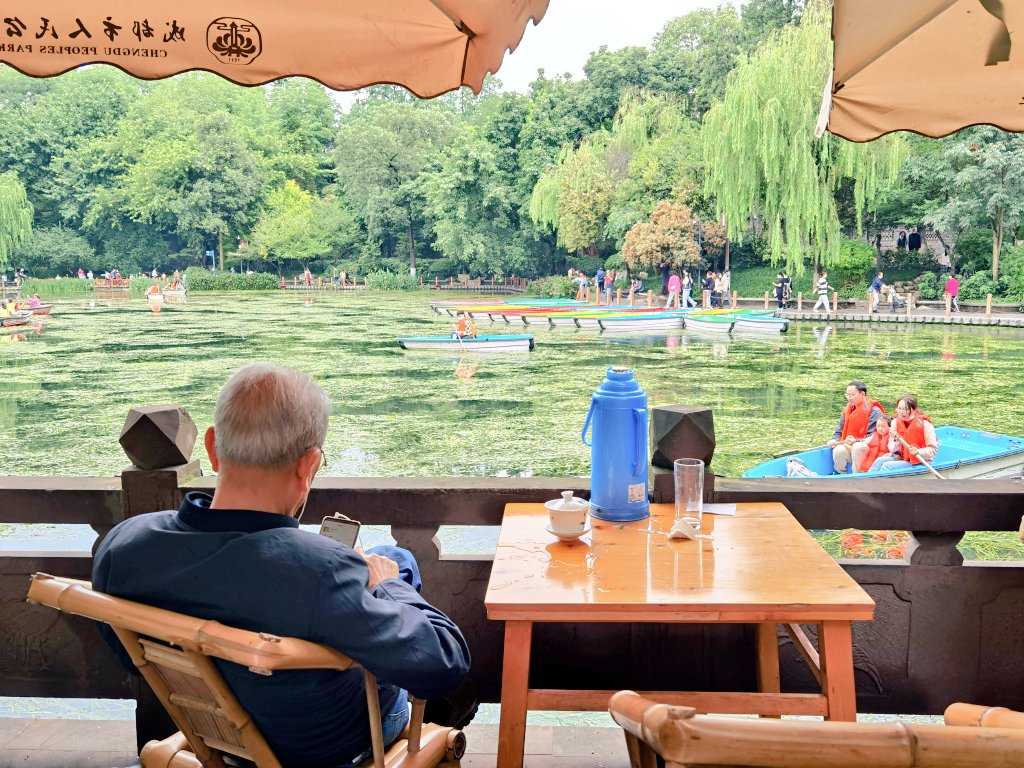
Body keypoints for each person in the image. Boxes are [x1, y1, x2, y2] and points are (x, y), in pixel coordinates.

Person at [92, 364, 472, 767]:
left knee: (390, 560)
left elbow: (129, 652)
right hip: (332, 745)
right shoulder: (321, 571)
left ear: (212, 447)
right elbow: (445, 664)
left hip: (216, 731)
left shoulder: (124, 545)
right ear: (309, 464)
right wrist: (388, 586)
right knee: (394, 569)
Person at [827, 381, 886, 474]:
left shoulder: (875, 412)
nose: (849, 398)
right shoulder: (848, 409)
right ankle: (841, 475)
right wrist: (835, 439)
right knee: (839, 450)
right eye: (847, 395)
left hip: (867, 449)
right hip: (850, 446)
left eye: (852, 395)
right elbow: (839, 429)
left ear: (862, 394)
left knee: (857, 447)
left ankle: (858, 475)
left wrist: (856, 440)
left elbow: (873, 436)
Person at [868, 395, 938, 473]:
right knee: (879, 461)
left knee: (887, 466)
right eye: (899, 409)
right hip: (903, 457)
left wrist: (919, 451)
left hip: (920, 460)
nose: (901, 412)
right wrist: (896, 440)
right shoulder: (895, 422)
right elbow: (892, 449)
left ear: (914, 410)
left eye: (905, 409)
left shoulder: (925, 424)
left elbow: (933, 450)